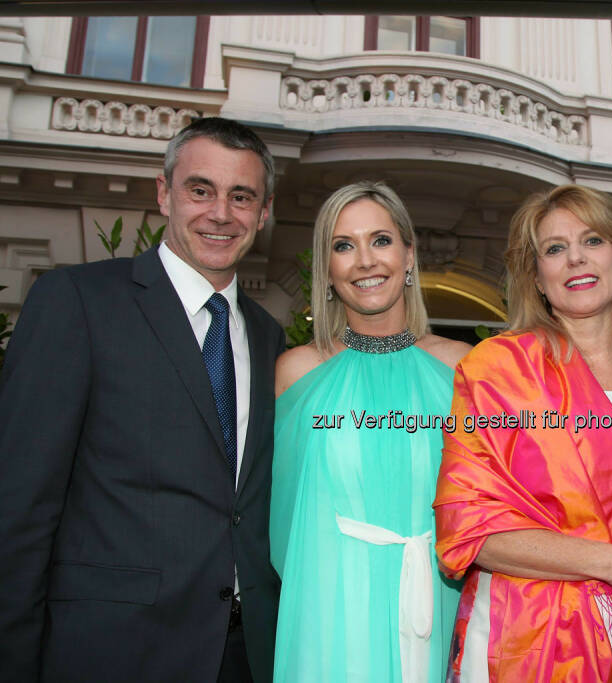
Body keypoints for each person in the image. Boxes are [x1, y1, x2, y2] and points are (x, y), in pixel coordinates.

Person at [0, 116, 284, 682]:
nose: (221, 213)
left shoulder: (270, 335)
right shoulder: (78, 301)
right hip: (109, 653)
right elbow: (19, 508)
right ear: (164, 193)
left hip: (241, 657)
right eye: (200, 189)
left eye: (242, 196)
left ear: (264, 211)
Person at [434, 184, 612, 681]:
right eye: (555, 249)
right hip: (525, 636)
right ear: (536, 277)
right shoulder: (497, 371)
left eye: (593, 240)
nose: (576, 259)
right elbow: (468, 532)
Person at [271, 180, 470, 682]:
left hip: (441, 606)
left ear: (408, 255)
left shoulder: (464, 368)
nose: (365, 260)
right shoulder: (298, 373)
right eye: (344, 245)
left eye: (380, 240)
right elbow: (282, 528)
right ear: (328, 269)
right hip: (329, 622)